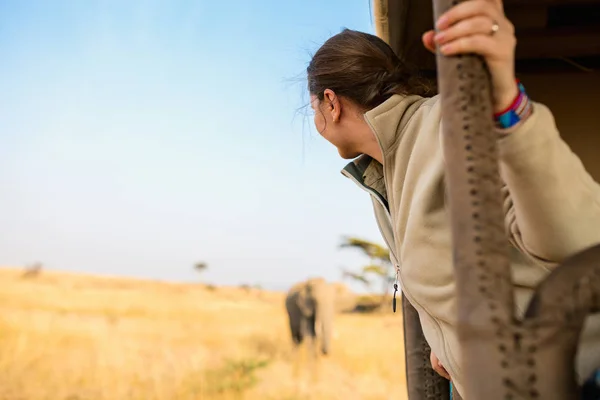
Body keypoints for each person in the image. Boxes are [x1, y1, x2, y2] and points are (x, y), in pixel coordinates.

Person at [305, 0, 600, 396]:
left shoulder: (447, 123)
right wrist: (447, 344)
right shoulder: (382, 173)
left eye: (312, 109)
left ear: (330, 101)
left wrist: (510, 109)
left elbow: (575, 238)